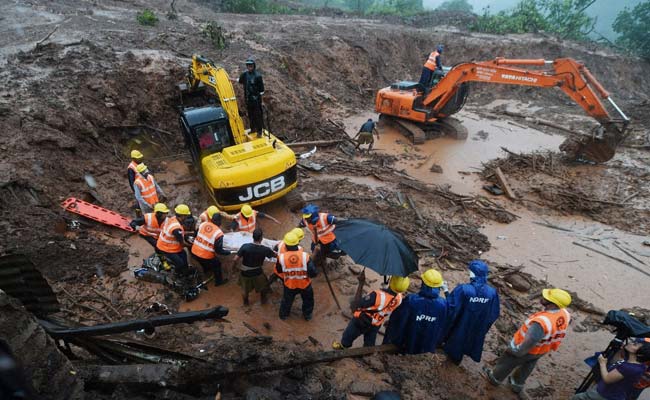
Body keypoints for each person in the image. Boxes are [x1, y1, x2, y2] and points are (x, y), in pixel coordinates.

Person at [484, 288, 572, 395]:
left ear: (552, 304)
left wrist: (516, 351)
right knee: (528, 366)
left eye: (546, 298)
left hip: (527, 350)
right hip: (543, 349)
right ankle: (516, 384)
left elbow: (531, 340)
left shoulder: (541, 322)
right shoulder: (565, 313)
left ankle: (495, 378)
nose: (543, 297)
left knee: (507, 363)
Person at [443, 259, 500, 365]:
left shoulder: (463, 289)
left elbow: (451, 307)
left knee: (456, 340)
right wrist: (484, 326)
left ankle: (453, 359)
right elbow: (494, 314)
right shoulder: (492, 293)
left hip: (460, 325)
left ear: (474, 273)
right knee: (471, 340)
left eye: (470, 271)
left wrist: (446, 291)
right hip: (477, 327)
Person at [332, 275, 409, 349]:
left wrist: (361, 283)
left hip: (361, 321)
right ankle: (367, 353)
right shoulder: (399, 299)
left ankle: (343, 347)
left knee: (348, 335)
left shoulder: (376, 295)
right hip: (376, 324)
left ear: (391, 281)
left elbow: (357, 305)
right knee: (370, 341)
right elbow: (388, 300)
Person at [383, 269, 450, 354]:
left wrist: (393, 340)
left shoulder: (411, 300)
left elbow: (399, 322)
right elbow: (442, 325)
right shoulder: (443, 304)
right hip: (428, 346)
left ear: (423, 283)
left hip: (407, 343)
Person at [277, 232, 318, 321]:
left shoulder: (281, 257)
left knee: (286, 301)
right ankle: (307, 315)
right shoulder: (305, 256)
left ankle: (283, 316)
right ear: (297, 243)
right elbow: (313, 273)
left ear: (286, 245)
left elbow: (279, 270)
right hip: (304, 284)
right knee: (308, 300)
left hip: (289, 285)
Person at [231, 228, 275, 306]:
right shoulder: (265, 249)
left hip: (245, 273)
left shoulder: (245, 246)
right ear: (261, 238)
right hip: (257, 272)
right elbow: (276, 256)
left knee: (244, 289)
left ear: (252, 237)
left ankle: (246, 303)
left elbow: (235, 259)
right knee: (264, 286)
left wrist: (234, 268)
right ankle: (263, 301)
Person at [191, 207, 232, 286]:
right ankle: (219, 282)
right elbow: (218, 250)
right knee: (217, 264)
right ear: (220, 222)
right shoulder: (218, 233)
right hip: (206, 255)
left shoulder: (203, 224)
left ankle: (207, 271)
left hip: (194, 251)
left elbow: (195, 234)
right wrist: (228, 252)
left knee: (203, 262)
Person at [156, 204, 193, 276]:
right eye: (185, 216)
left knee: (183, 254)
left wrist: (189, 233)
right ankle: (178, 273)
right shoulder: (176, 229)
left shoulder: (173, 218)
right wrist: (192, 245)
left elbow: (180, 233)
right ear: (182, 216)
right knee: (180, 263)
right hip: (166, 248)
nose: (186, 218)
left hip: (167, 243)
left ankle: (186, 270)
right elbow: (182, 243)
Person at [238, 58, 265, 135]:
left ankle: (259, 131)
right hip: (248, 100)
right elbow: (240, 81)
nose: (249, 67)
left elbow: (262, 90)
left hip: (256, 100)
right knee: (251, 115)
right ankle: (253, 129)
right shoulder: (245, 75)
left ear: (254, 66)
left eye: (251, 65)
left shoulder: (258, 76)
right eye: (248, 65)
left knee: (258, 116)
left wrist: (261, 101)